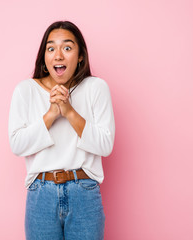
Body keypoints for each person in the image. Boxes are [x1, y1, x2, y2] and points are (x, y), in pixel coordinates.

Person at [8, 20, 115, 240]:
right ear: (44, 56)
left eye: (67, 47)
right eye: (51, 48)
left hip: (84, 192)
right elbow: (17, 145)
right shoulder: (25, 90)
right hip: (41, 194)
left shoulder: (96, 88)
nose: (58, 55)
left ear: (81, 55)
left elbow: (105, 145)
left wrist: (69, 112)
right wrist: (51, 115)